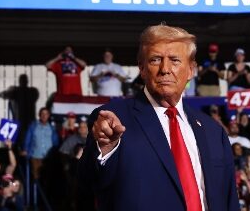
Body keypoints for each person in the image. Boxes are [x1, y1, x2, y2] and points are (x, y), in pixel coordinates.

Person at [78, 23, 240, 210]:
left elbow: (229, 200)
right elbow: (86, 186)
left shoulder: (214, 131)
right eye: (155, 60)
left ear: (190, 70)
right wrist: (105, 148)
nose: (165, 69)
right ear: (142, 68)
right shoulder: (112, 119)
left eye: (175, 60)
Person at [23, 107, 59, 180]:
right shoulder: (33, 126)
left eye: (46, 114)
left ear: (48, 116)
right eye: (42, 114)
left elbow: (56, 142)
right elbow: (27, 139)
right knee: (36, 178)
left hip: (48, 158)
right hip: (36, 156)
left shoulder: (52, 128)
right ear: (39, 115)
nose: (44, 116)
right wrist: (25, 149)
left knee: (48, 178)